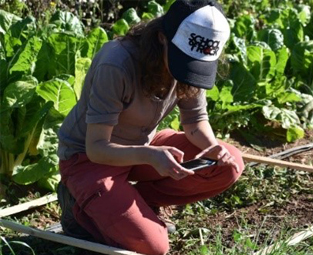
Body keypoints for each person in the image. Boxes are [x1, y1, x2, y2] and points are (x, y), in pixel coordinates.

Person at [57, 0, 245, 254]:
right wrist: (149, 155)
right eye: (183, 61)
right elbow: (96, 148)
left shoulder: (189, 65)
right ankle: (77, 209)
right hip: (89, 159)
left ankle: (142, 201)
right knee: (153, 247)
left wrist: (212, 148)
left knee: (229, 163)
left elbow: (194, 122)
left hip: (143, 148)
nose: (186, 73)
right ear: (162, 38)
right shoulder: (117, 63)